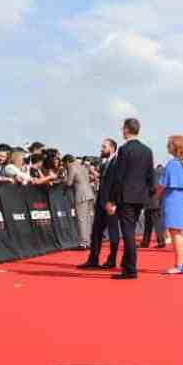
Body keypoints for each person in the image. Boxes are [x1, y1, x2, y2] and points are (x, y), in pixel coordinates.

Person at [107, 118, 154, 280]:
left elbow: (118, 177)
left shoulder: (124, 149)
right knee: (130, 231)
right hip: (140, 197)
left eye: (122, 128)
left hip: (126, 197)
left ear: (127, 129)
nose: (122, 131)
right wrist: (148, 194)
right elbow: (150, 176)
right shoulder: (147, 151)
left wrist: (112, 199)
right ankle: (127, 265)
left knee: (128, 233)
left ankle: (131, 269)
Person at [78, 139, 122, 270]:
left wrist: (113, 202)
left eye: (104, 147)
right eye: (101, 146)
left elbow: (117, 184)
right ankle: (93, 259)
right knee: (96, 232)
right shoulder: (104, 163)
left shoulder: (117, 163)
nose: (101, 149)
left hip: (111, 204)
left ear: (112, 148)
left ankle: (112, 259)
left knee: (113, 233)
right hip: (100, 203)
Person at [157, 135, 183, 275]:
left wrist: (156, 196)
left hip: (173, 198)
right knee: (182, 232)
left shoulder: (172, 164)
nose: (167, 147)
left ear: (175, 146)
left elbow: (162, 184)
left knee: (175, 232)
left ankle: (178, 265)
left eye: (169, 144)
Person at [64, 154, 95, 249]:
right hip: (90, 194)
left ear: (67, 162)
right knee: (88, 219)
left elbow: (69, 182)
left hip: (81, 195)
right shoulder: (82, 166)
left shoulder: (71, 166)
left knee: (81, 219)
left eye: (64, 164)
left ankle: (83, 243)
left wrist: (62, 180)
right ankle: (88, 241)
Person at [141, 163, 166, 249]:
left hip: (152, 201)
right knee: (148, 223)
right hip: (152, 201)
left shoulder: (152, 173)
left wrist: (145, 192)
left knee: (156, 223)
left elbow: (154, 187)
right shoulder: (153, 173)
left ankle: (161, 241)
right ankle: (145, 242)